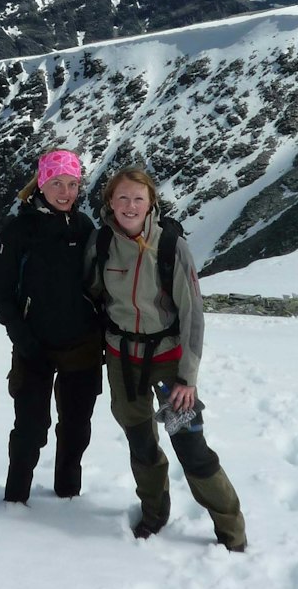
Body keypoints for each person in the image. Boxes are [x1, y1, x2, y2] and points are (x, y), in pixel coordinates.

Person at [88, 167, 248, 552]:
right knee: (141, 442)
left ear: (151, 203)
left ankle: (232, 531)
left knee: (191, 447)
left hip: (169, 363)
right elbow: (93, 297)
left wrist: (187, 378)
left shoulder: (171, 245)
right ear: (110, 201)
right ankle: (153, 514)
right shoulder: (102, 243)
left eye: (138, 198)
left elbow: (193, 314)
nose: (129, 206)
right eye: (122, 197)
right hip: (122, 360)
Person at [0, 149, 103, 504]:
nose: (65, 191)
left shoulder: (85, 226)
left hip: (81, 344)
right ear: (42, 183)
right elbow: (1, 294)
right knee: (31, 428)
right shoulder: (20, 229)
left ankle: (68, 495)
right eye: (57, 183)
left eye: (72, 183)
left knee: (76, 426)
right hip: (33, 345)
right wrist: (23, 340)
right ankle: (15, 499)